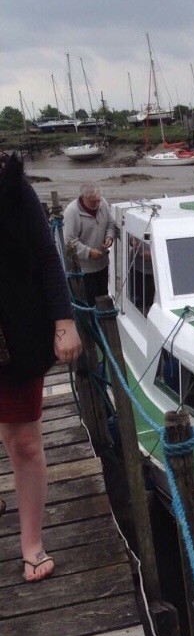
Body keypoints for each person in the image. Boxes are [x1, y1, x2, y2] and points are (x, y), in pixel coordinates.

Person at [0, 153, 82, 581]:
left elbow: (48, 259)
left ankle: (32, 543)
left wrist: (64, 322)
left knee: (24, 442)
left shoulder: (13, 187)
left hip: (14, 338)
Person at [63, 182, 116, 305]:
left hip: (102, 263)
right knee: (89, 302)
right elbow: (69, 242)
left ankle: (103, 322)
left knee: (103, 297)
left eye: (98, 200)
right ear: (83, 198)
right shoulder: (72, 212)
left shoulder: (103, 203)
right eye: (93, 202)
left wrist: (109, 236)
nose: (98, 204)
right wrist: (89, 252)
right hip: (84, 270)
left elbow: (110, 224)